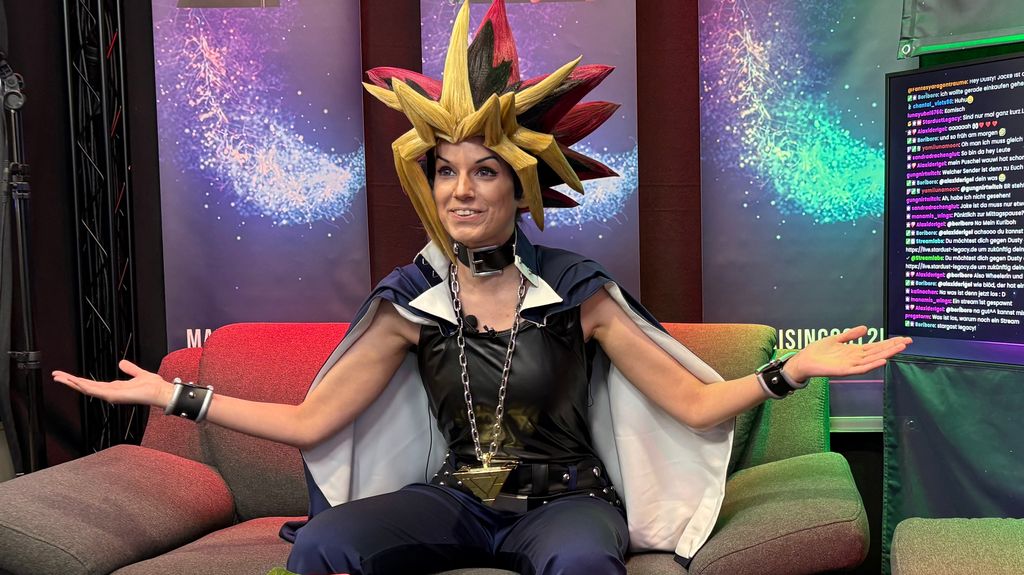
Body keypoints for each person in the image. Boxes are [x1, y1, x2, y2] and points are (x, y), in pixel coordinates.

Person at [52, 2, 911, 574]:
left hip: (567, 504)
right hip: (456, 501)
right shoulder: (409, 301)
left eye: (486, 171)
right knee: (325, 546)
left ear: (521, 186)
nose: (460, 190)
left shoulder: (578, 291)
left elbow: (691, 403)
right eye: (446, 170)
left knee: (581, 561)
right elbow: (312, 423)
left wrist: (790, 371)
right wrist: (177, 395)